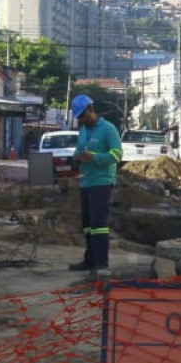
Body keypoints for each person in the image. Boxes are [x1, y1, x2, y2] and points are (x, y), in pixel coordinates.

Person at [68, 93, 123, 278]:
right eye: (79, 118)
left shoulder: (108, 129)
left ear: (91, 110)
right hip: (86, 180)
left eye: (83, 116)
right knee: (88, 224)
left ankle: (101, 264)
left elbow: (117, 155)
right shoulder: (83, 130)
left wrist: (95, 158)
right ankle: (89, 260)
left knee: (99, 224)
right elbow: (78, 150)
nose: (82, 120)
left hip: (101, 181)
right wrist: (77, 157)